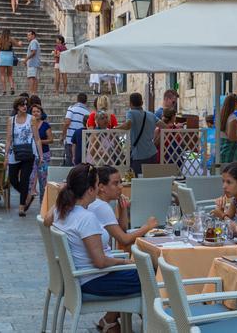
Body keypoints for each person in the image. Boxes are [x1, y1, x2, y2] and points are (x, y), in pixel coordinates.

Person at [45, 164, 140, 330]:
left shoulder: (60, 211)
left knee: (147, 274)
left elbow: (46, 220)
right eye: (97, 185)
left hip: (78, 278)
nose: (99, 189)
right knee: (152, 276)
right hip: (92, 280)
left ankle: (113, 321)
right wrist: (125, 263)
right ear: (90, 190)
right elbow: (100, 262)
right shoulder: (85, 218)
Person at [87, 165, 157, 251]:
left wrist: (122, 208)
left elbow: (122, 230)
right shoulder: (101, 206)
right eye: (115, 183)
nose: (121, 186)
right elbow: (124, 239)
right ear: (101, 187)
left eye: (120, 182)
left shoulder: (97, 203)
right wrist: (147, 226)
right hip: (105, 260)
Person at [3, 96, 40, 217]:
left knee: (24, 179)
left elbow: (37, 138)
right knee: (13, 179)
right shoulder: (11, 120)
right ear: (17, 107)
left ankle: (21, 207)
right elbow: (8, 139)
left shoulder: (32, 119)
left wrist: (40, 155)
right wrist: (5, 156)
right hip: (14, 153)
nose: (25, 106)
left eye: (26, 104)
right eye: (22, 105)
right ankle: (27, 196)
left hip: (29, 152)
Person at [116, 92, 157, 176]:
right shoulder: (151, 115)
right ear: (142, 103)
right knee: (151, 180)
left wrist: (115, 128)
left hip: (139, 155)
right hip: (152, 153)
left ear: (130, 103)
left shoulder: (131, 113)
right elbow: (163, 125)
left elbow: (128, 125)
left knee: (138, 181)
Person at [29, 100, 52, 201]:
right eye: (33, 111)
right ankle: (27, 201)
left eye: (38, 111)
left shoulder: (45, 125)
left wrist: (38, 141)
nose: (36, 113)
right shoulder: (28, 124)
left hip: (45, 155)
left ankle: (43, 202)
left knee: (43, 178)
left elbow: (51, 140)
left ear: (41, 113)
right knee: (30, 177)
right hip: (32, 154)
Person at [62, 93, 91, 165]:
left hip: (70, 139)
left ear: (77, 100)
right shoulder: (88, 112)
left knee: (69, 160)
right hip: (82, 140)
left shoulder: (71, 108)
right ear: (86, 101)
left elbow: (67, 123)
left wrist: (63, 136)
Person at [217, 93, 237, 163]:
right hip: (231, 150)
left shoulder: (223, 116)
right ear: (234, 103)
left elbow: (226, 133)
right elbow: (231, 137)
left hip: (221, 148)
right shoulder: (233, 118)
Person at [0, 29, 22, 95]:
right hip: (9, 56)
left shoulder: (0, 39)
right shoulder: (11, 39)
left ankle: (4, 90)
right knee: (10, 74)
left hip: (2, 56)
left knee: (2, 75)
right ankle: (12, 88)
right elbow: (19, 45)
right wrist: (20, 42)